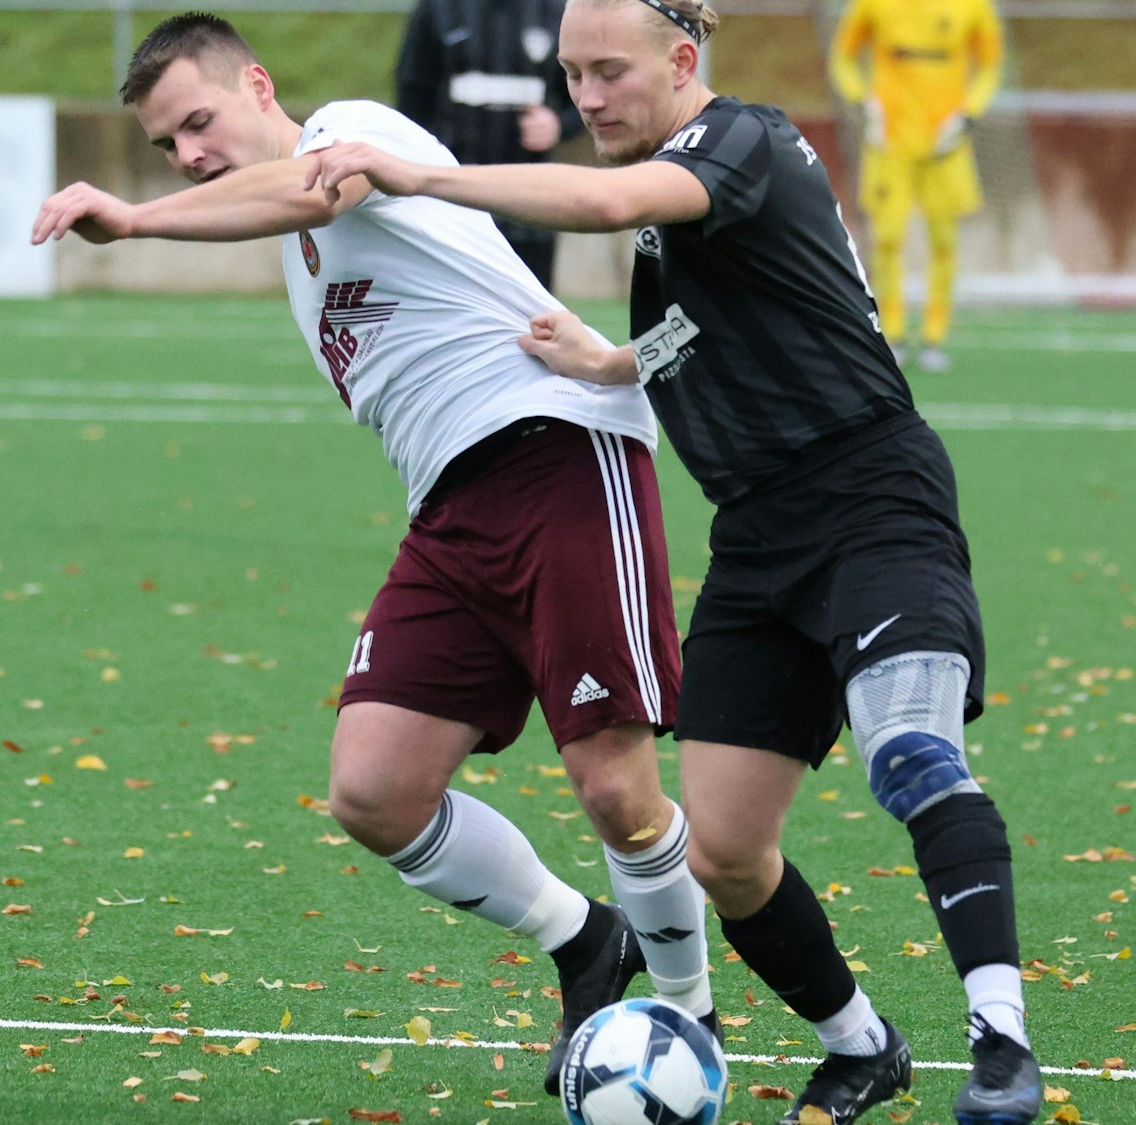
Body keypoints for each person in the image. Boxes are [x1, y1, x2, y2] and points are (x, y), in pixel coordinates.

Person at [305, 0, 1039, 1121]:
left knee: (910, 758)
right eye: (571, 75)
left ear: (681, 61)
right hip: (755, 542)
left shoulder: (736, 139)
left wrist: (415, 173)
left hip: (870, 501)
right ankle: (860, 1045)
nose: (585, 98)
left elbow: (602, 201)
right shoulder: (678, 215)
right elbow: (726, 316)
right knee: (725, 851)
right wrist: (609, 361)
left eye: (606, 73)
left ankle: (1001, 1049)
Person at [30, 13, 714, 1096]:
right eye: (168, 147)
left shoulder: (350, 132)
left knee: (613, 791)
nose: (191, 154)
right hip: (450, 512)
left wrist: (137, 215)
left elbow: (310, 190)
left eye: (199, 122)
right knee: (374, 790)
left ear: (259, 87)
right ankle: (588, 944)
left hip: (558, 458)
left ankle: (687, 1020)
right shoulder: (297, 258)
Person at [828, 0, 1002, 372]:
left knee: (944, 240)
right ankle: (891, 333)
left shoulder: (973, 7)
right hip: (889, 143)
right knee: (888, 239)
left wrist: (969, 113)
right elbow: (843, 57)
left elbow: (990, 64)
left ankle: (934, 334)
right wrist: (862, 103)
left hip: (946, 144)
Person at [396, 0, 584, 288]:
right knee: (454, 304)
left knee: (531, 314)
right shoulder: (439, 8)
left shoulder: (555, 11)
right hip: (453, 199)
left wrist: (558, 124)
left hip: (530, 202)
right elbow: (411, 94)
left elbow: (588, 94)